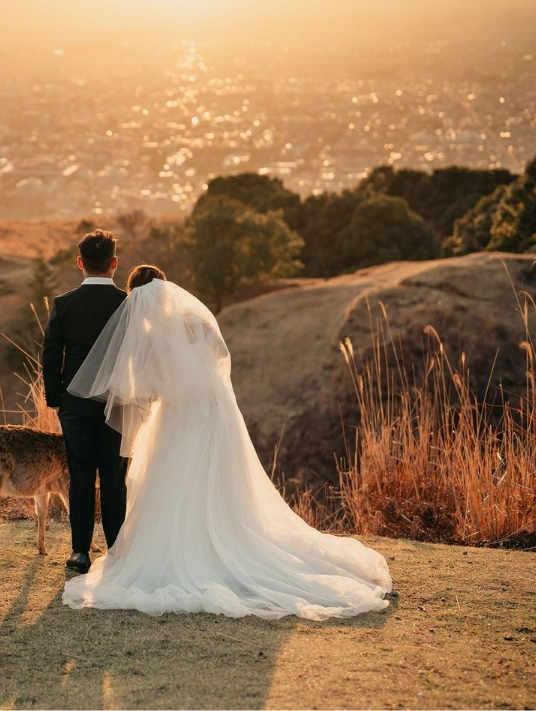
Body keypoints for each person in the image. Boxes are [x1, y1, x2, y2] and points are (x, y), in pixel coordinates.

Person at [61, 265, 393, 620]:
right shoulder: (193, 317)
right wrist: (195, 371)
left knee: (177, 481)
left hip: (177, 415)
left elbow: (145, 386)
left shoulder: (145, 333)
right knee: (219, 483)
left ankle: (193, 548)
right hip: (215, 410)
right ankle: (224, 539)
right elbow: (220, 353)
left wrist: (168, 386)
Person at [40, 229, 129, 574]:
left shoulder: (63, 304)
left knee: (80, 477)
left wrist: (55, 399)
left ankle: (80, 554)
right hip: (119, 403)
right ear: (114, 263)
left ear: (81, 263)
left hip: (75, 406)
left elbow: (51, 354)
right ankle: (118, 553)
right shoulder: (128, 304)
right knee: (113, 477)